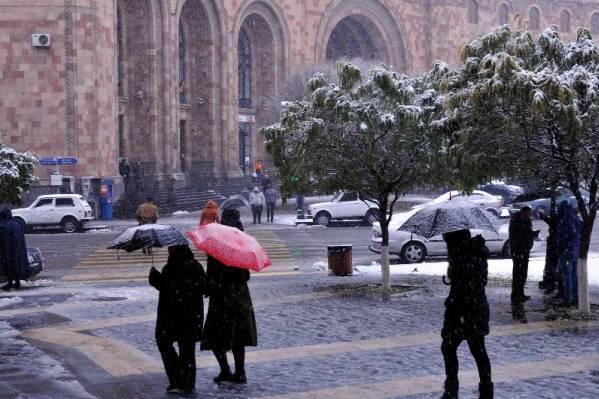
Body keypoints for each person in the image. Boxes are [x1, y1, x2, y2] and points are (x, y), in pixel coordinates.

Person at [201, 208, 257, 384]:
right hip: (240, 296)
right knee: (238, 337)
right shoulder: (243, 240)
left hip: (221, 297)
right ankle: (240, 372)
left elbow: (211, 272)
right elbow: (246, 275)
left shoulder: (216, 240)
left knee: (216, 336)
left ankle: (225, 370)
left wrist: (210, 286)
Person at [440, 229, 493, 399]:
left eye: (448, 243)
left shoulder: (465, 256)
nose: (447, 247)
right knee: (476, 350)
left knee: (452, 347)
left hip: (465, 311)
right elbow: (475, 282)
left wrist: (454, 272)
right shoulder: (473, 253)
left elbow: (466, 286)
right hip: (474, 309)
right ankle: (485, 391)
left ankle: (452, 390)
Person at [149, 245, 206, 396]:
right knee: (187, 350)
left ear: (174, 251)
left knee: (164, 343)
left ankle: (177, 379)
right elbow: (204, 288)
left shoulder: (170, 268)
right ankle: (187, 383)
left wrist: (155, 279)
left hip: (171, 316)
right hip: (192, 316)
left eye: (170, 249)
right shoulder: (196, 266)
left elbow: (167, 288)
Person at [556, 201, 582, 307]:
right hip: (575, 250)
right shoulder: (576, 219)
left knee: (567, 276)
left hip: (567, 251)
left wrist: (562, 248)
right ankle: (575, 297)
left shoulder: (565, 221)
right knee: (574, 274)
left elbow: (563, 237)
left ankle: (568, 299)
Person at [509, 205, 535, 303]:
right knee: (517, 273)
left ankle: (520, 293)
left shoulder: (527, 220)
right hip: (518, 250)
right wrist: (528, 234)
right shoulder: (516, 221)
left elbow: (527, 232)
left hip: (525, 250)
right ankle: (516, 294)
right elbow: (516, 235)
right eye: (528, 213)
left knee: (523, 273)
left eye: (529, 214)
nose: (529, 215)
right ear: (523, 212)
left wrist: (531, 234)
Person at [0, 208, 29, 290]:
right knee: (16, 266)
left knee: (8, 266)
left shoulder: (3, 225)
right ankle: (17, 282)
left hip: (7, 250)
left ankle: (10, 283)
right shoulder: (17, 223)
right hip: (18, 249)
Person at [538, 205, 559, 294]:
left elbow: (552, 223)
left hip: (554, 245)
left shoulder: (558, 219)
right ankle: (551, 284)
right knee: (552, 266)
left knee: (551, 266)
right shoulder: (560, 218)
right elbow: (551, 223)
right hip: (554, 244)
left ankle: (551, 285)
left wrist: (544, 217)